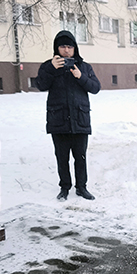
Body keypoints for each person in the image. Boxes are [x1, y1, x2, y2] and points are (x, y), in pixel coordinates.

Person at [36, 30, 101, 201]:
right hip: (59, 120)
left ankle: (82, 187)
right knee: (61, 157)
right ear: (57, 48)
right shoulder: (48, 66)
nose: (66, 50)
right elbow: (40, 85)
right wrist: (51, 68)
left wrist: (80, 76)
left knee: (80, 157)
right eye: (62, 46)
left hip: (80, 119)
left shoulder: (84, 67)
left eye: (69, 46)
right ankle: (64, 187)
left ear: (75, 48)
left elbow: (95, 88)